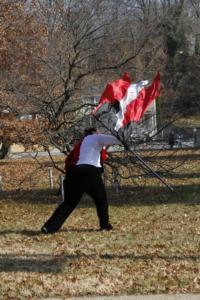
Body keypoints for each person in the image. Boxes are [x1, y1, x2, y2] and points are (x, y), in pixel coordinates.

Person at [41, 127, 121, 234]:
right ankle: (105, 225)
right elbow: (113, 145)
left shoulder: (80, 144)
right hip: (90, 172)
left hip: (73, 173)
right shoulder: (96, 138)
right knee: (101, 200)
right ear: (95, 133)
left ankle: (49, 227)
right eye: (98, 132)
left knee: (68, 203)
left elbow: (68, 160)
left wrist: (71, 174)